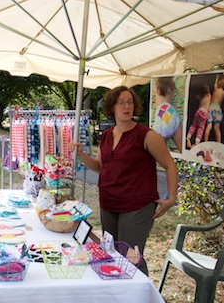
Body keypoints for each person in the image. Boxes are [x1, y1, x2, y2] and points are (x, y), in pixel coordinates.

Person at [73, 86, 178, 276]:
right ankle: (119, 296)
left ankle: (144, 299)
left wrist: (171, 198)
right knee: (112, 254)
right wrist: (82, 155)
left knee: (131, 258)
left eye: (130, 102)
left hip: (137, 206)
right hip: (109, 203)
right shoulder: (106, 136)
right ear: (112, 107)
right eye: (121, 102)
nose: (126, 106)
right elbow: (100, 167)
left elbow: (170, 165)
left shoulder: (147, 135)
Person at [151, 76, 183, 152]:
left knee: (160, 145)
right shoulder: (170, 89)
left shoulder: (157, 87)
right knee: (180, 141)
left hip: (163, 111)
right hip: (171, 111)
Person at [204, 74, 224, 143]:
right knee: (216, 127)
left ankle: (206, 141)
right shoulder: (223, 92)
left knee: (209, 126)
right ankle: (219, 142)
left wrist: (217, 78)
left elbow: (215, 84)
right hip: (217, 108)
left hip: (211, 107)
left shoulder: (216, 89)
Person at [185, 84, 211, 149]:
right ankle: (197, 142)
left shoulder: (201, 96)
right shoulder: (209, 96)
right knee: (201, 128)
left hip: (199, 111)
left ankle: (188, 137)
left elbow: (196, 97)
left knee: (194, 125)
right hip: (204, 113)